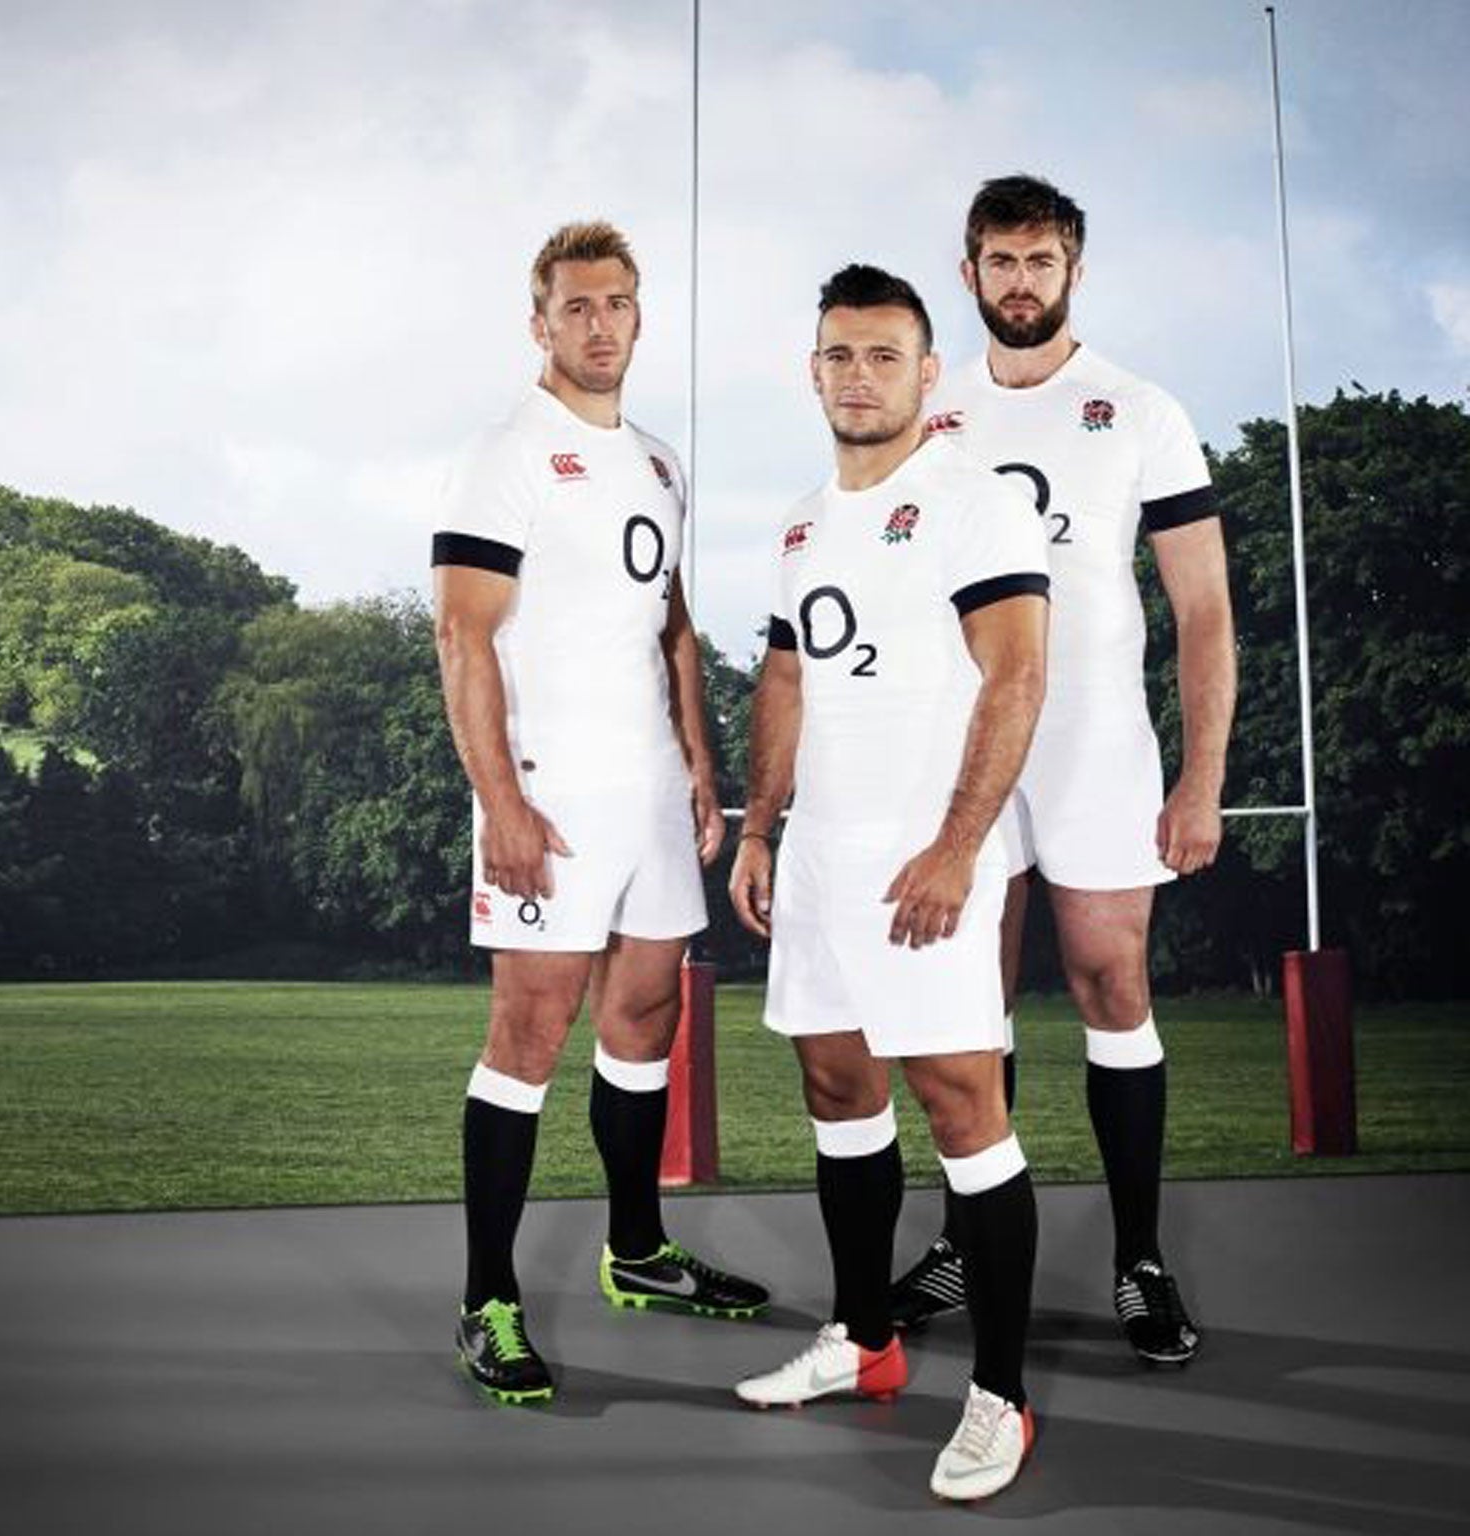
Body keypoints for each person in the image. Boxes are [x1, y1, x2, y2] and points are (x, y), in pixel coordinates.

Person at [889, 176, 1237, 1367]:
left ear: (1073, 268)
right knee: (961, 1000)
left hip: (1094, 744)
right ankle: (957, 1242)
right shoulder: (928, 414)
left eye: (1042, 261)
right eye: (1000, 261)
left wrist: (1199, 779)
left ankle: (1137, 1258)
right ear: (968, 270)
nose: (1021, 281)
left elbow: (1202, 612)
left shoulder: (1136, 410)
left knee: (1108, 984)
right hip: (964, 747)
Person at [432, 220, 768, 1406]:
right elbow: (461, 634)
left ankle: (636, 1253)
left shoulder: (663, 462)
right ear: (538, 323)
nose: (597, 324)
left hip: (647, 798)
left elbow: (672, 622)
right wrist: (501, 802)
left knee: (642, 1021)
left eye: (615, 304)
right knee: (526, 1038)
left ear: (638, 316)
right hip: (550, 794)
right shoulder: (505, 454)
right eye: (573, 306)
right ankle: (486, 1302)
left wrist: (698, 760)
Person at [727, 264, 1048, 1501]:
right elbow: (787, 682)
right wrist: (761, 828)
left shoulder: (971, 505)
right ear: (811, 371)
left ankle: (1001, 1400)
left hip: (931, 857)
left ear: (926, 371)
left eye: (883, 356)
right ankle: (863, 1343)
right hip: (818, 854)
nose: (858, 376)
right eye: (838, 355)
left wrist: (959, 846)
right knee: (835, 1084)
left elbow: (1016, 676)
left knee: (962, 1101)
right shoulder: (800, 523)